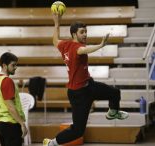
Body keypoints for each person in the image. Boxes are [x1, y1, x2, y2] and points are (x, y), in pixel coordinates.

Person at [43, 13, 129, 146]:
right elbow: (85, 50)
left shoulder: (64, 45)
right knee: (78, 131)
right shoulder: (77, 48)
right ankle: (52, 143)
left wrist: (56, 23)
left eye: (86, 32)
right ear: (74, 34)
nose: (85, 34)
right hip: (78, 94)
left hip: (89, 86)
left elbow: (55, 40)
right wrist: (101, 45)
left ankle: (112, 112)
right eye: (82, 32)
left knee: (114, 93)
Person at [0, 52, 27, 146]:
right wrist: (22, 124)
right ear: (4, 65)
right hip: (11, 124)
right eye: (13, 65)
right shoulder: (7, 81)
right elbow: (10, 107)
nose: (16, 67)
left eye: (16, 65)